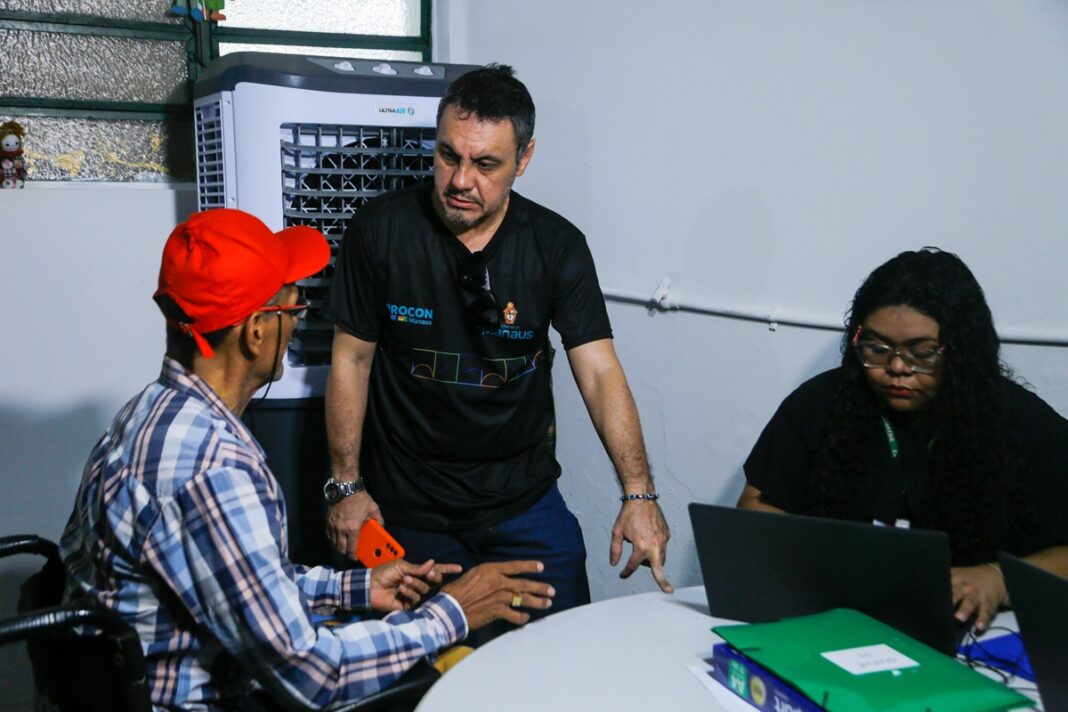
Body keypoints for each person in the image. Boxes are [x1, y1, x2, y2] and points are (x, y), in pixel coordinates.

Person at [59, 209, 554, 710]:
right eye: (293, 308)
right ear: (255, 332)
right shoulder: (210, 470)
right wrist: (453, 612)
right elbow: (312, 676)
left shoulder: (153, 410)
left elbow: (239, 580)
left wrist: (353, 588)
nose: (298, 322)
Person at [322, 63, 672, 626]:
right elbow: (351, 359)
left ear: (523, 158)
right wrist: (345, 487)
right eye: (448, 156)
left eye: (486, 164)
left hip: (522, 504)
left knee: (562, 650)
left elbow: (600, 372)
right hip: (409, 506)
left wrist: (639, 494)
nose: (461, 181)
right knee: (426, 664)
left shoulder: (555, 245)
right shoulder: (380, 229)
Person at [738, 247, 1068, 632]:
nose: (897, 367)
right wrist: (821, 561)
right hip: (836, 618)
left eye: (923, 353)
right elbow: (755, 506)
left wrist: (998, 578)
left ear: (962, 351)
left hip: (976, 633)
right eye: (877, 348)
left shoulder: (1022, 422)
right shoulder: (820, 403)